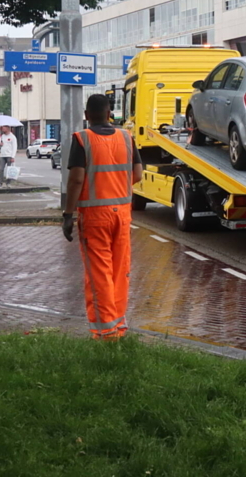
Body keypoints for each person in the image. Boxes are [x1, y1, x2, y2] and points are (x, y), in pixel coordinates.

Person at [62, 94, 143, 340]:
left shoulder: (82, 139)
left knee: (99, 272)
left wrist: (68, 214)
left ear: (87, 115)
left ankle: (105, 332)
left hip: (95, 216)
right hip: (123, 214)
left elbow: (76, 180)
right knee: (120, 271)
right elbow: (138, 174)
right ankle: (118, 327)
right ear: (110, 114)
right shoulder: (126, 137)